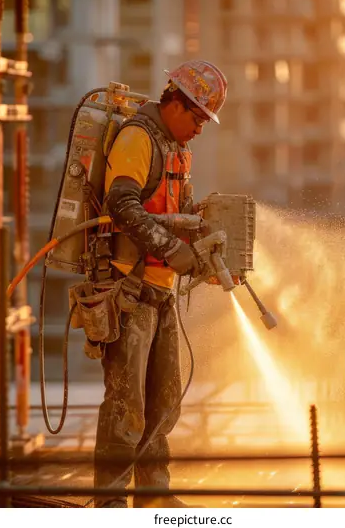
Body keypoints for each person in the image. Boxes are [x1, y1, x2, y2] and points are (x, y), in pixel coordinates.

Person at [92, 60, 228, 508]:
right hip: (129, 292)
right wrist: (172, 249)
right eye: (198, 118)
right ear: (176, 103)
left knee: (163, 403)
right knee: (126, 407)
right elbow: (121, 203)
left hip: (161, 292)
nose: (201, 129)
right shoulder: (138, 138)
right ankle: (111, 506)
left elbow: (179, 212)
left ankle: (154, 498)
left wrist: (202, 247)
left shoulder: (175, 147)